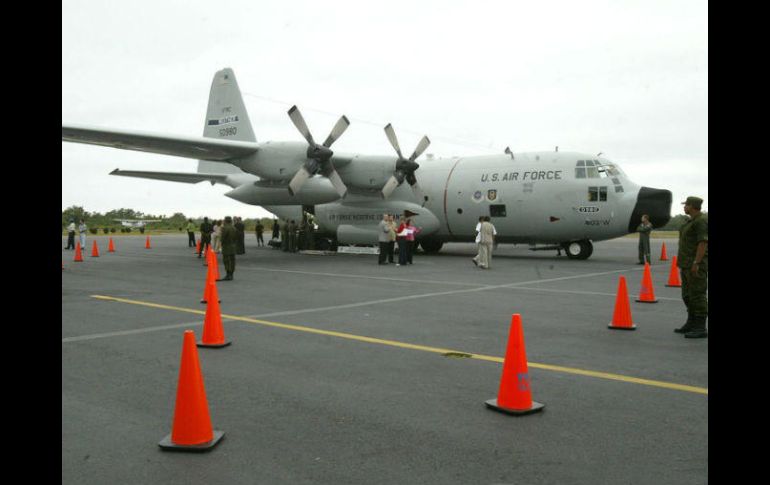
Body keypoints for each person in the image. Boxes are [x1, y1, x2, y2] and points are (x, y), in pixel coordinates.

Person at [675, 196, 708, 338]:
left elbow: (703, 243)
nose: (684, 207)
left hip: (695, 265)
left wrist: (697, 263)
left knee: (698, 296)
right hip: (686, 264)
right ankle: (691, 322)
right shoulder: (691, 221)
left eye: (686, 205)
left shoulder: (701, 221)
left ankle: (700, 327)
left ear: (692, 206)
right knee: (687, 295)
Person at [218, 216, 237, 281]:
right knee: (232, 261)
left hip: (226, 246)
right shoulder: (234, 228)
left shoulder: (225, 228)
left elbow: (222, 238)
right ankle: (231, 275)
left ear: (225, 221)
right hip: (233, 246)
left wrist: (221, 244)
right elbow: (236, 238)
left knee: (226, 260)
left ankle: (228, 275)